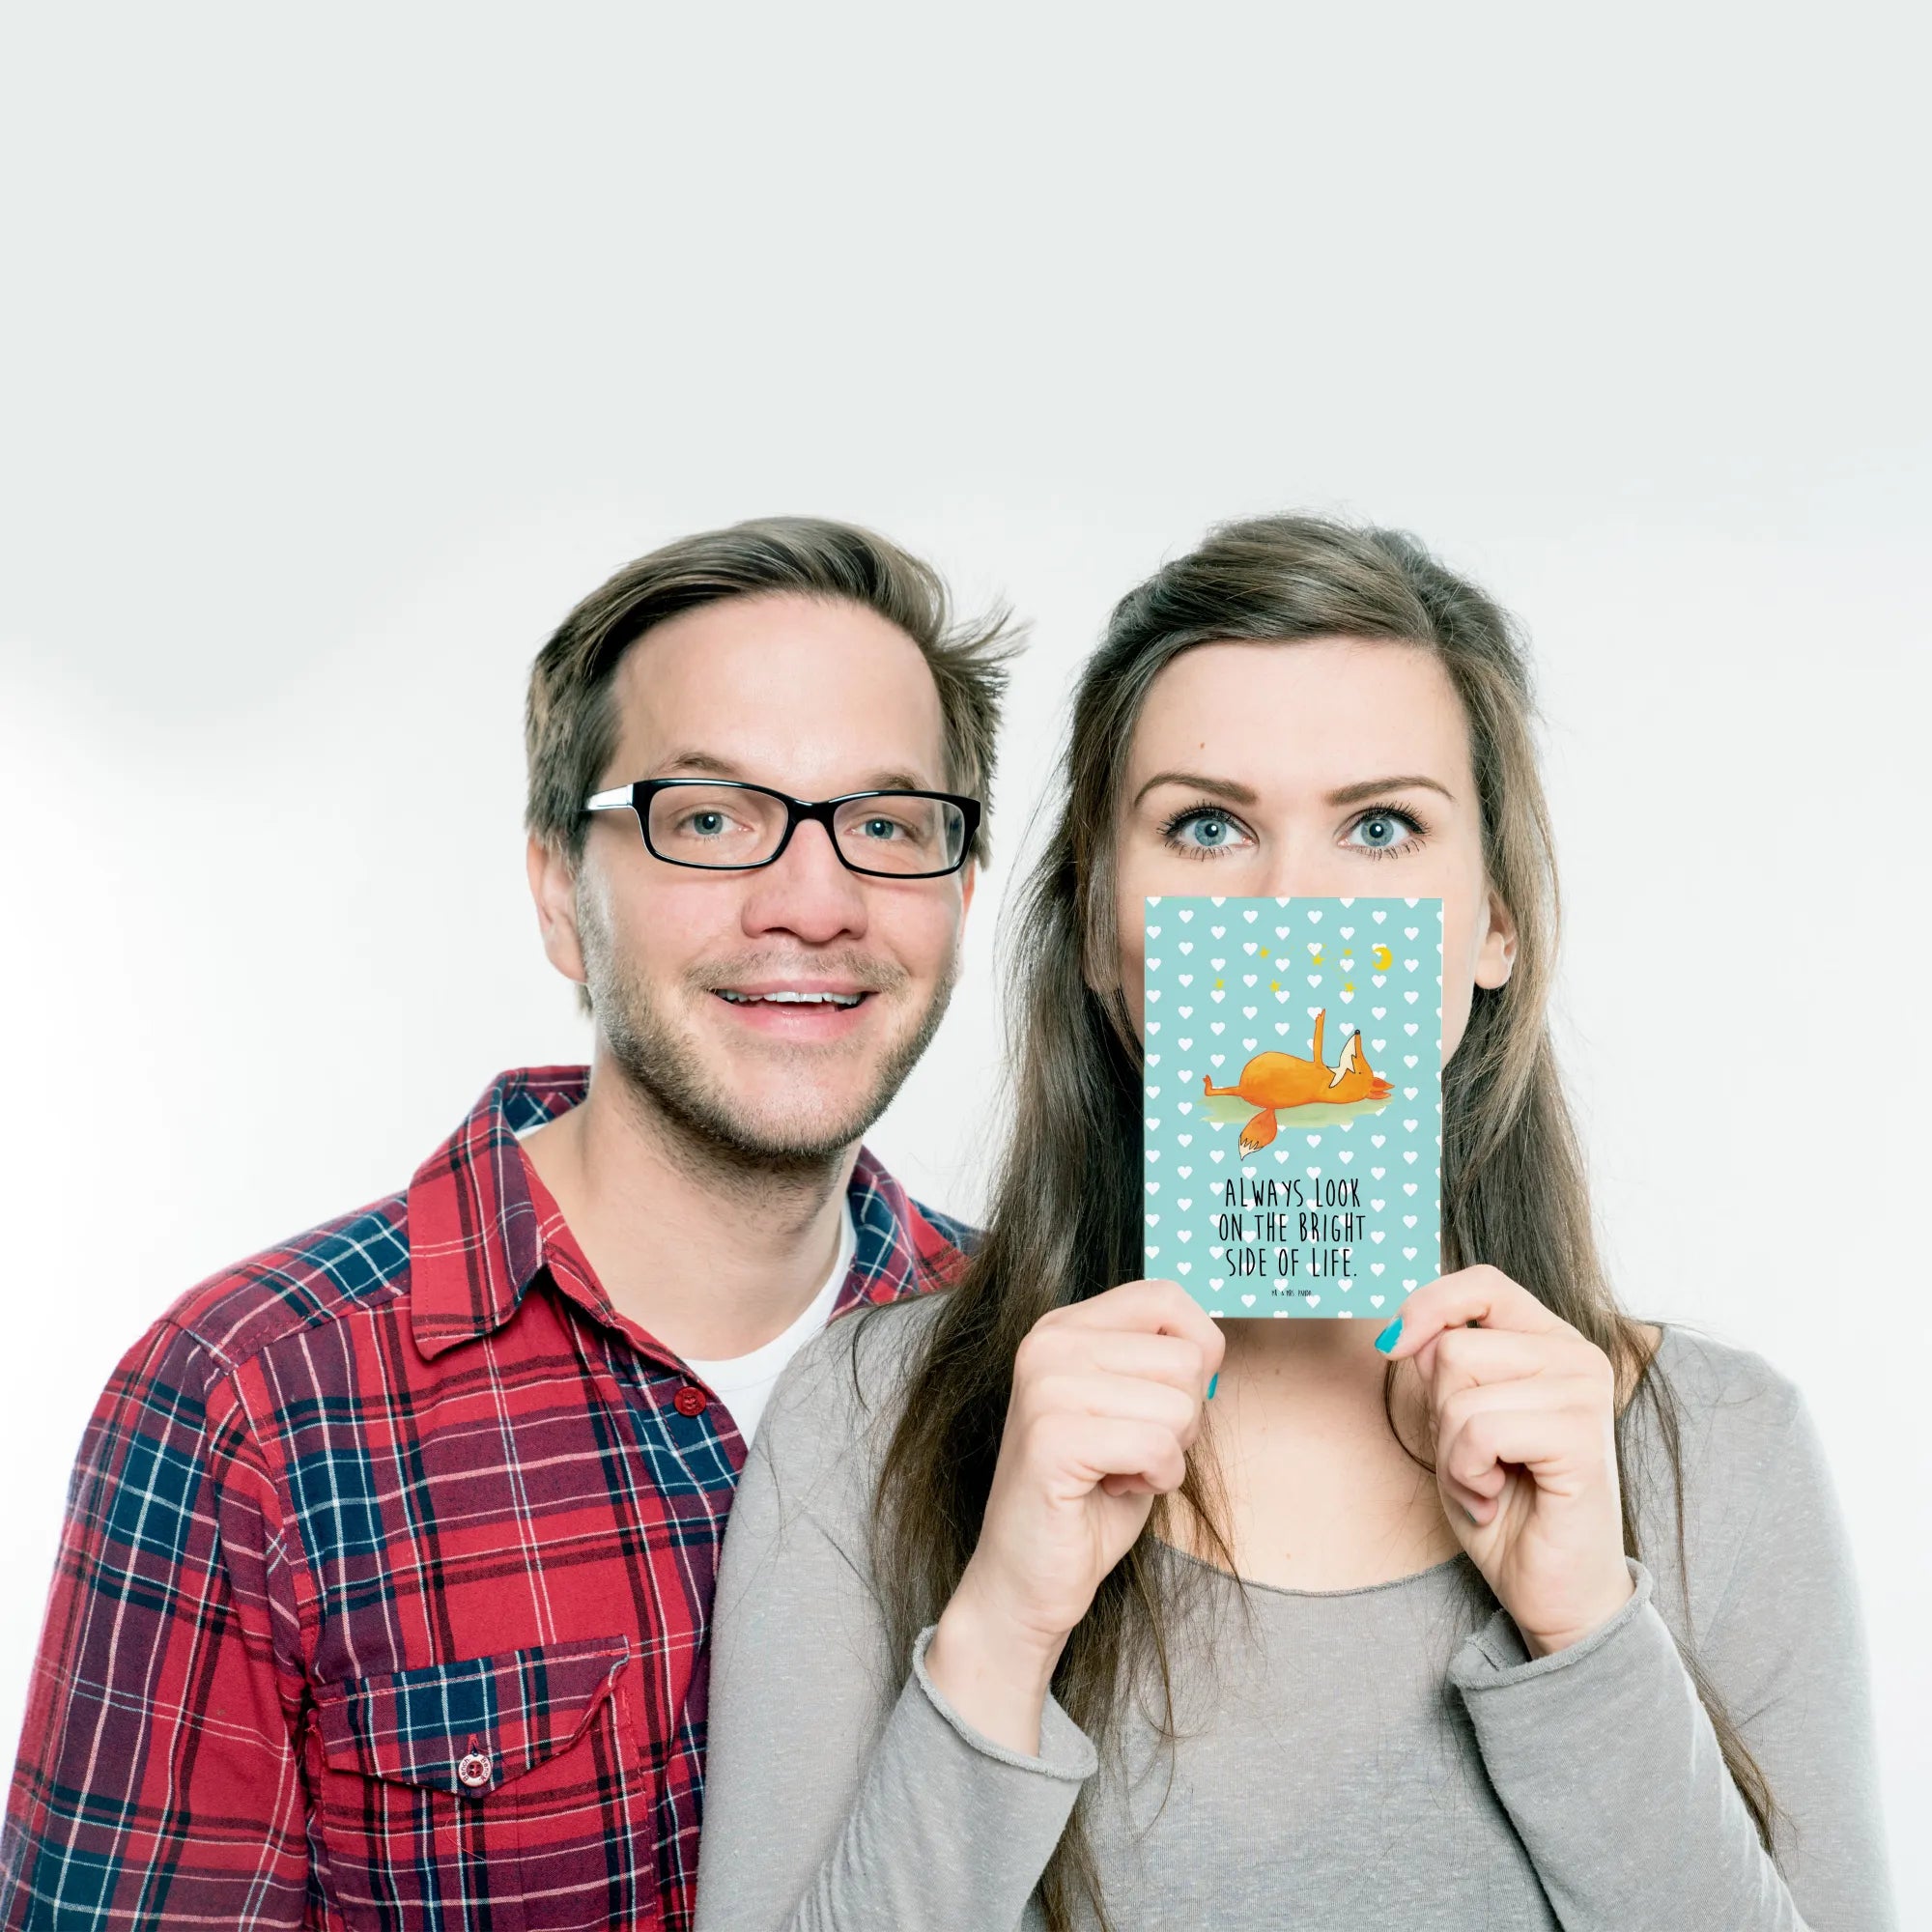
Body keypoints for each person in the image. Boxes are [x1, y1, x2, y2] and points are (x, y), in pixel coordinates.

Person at [694, 514, 1897, 1930]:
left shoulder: (1722, 1450)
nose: (1292, 908)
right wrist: (1002, 1624)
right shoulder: (867, 1420)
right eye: (1207, 827)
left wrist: (1585, 1631)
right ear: (1098, 927)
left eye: (1381, 827)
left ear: (1494, 924)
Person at [0, 517, 1016, 1930]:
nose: (815, 902)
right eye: (710, 820)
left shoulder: (1031, 1349)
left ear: (960, 890)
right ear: (558, 894)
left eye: (888, 827)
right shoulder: (247, 1403)